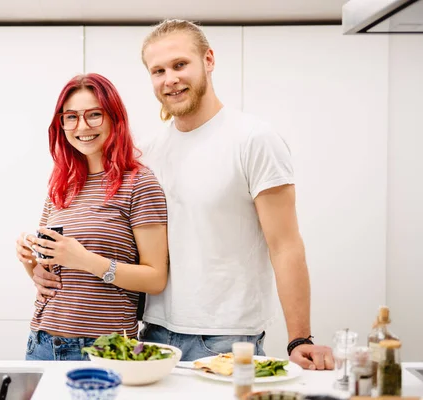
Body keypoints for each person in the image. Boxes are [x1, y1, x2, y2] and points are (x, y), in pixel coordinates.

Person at [30, 19, 335, 370]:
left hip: (227, 336)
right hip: (153, 333)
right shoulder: (147, 152)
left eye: (180, 64)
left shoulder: (253, 140)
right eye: (158, 70)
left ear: (208, 60)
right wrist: (42, 270)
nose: (170, 79)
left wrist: (300, 338)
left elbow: (286, 246)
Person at [15, 73, 168, 361]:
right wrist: (30, 261)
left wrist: (85, 260)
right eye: (70, 117)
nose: (82, 126)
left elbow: (156, 278)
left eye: (94, 115)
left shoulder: (139, 183)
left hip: (104, 348)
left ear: (114, 119)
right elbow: (51, 275)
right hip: (43, 341)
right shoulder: (61, 185)